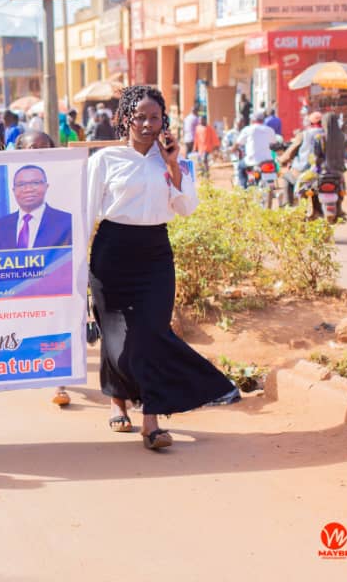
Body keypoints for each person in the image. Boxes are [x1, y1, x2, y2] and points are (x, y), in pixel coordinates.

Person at [86, 86, 239, 451]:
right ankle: (118, 401)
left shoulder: (174, 161)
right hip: (112, 253)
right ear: (125, 118)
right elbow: (86, 211)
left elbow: (186, 208)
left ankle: (151, 420)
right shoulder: (105, 159)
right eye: (139, 116)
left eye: (154, 117)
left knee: (149, 333)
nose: (147, 124)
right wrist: (75, 268)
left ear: (163, 121)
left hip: (154, 254)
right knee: (117, 337)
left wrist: (172, 165)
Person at [14, 129, 72, 407]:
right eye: (31, 148)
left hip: (57, 267)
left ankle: (60, 380)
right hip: (19, 273)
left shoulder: (66, 184)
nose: (39, 152)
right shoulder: (7, 200)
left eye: (44, 147)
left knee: (58, 320)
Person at [0, 165, 73, 250]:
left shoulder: (67, 222)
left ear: (46, 187)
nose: (28, 189)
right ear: (14, 190)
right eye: (21, 184)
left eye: (35, 183)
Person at [278, 111, 325, 207]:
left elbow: (290, 152)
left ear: (310, 123)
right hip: (326, 171)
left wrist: (282, 160)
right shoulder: (329, 134)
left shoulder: (304, 134)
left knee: (287, 177)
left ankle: (288, 205)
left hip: (304, 170)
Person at [234, 111, 278, 188]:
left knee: (240, 166)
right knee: (270, 172)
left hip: (252, 161)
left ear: (252, 120)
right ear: (263, 120)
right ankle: (271, 185)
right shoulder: (269, 130)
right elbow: (274, 142)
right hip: (268, 160)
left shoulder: (247, 129)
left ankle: (243, 189)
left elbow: (238, 143)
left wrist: (232, 149)